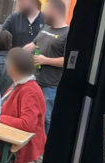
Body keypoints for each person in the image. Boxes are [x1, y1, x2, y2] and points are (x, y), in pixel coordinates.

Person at [24, 0, 68, 133]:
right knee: (30, 116)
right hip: (34, 81)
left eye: (47, 10)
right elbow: (34, 44)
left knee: (45, 119)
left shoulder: (67, 33)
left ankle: (43, 150)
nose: (43, 13)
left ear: (55, 11)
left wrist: (45, 60)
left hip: (50, 86)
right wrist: (20, 52)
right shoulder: (46, 28)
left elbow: (68, 61)